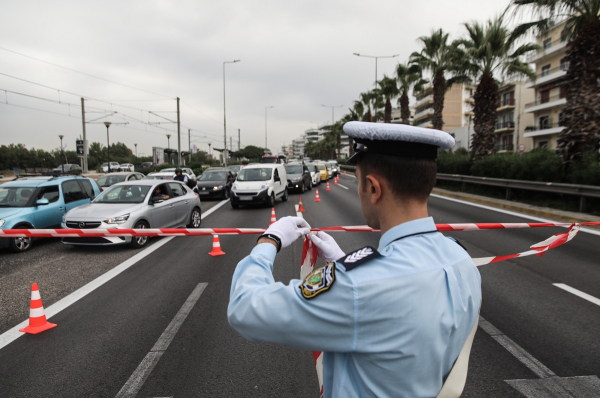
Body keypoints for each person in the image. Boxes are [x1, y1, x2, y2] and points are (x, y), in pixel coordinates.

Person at [227, 121, 482, 398]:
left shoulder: (357, 286)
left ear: (373, 188)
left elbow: (245, 309)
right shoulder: (461, 260)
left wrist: (269, 241)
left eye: (360, 183)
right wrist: (344, 262)